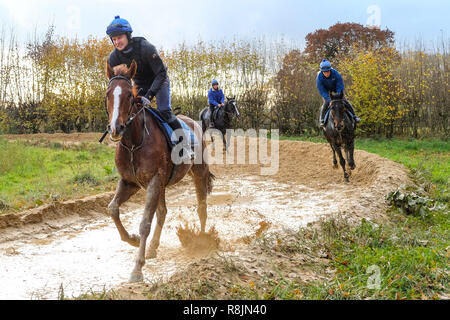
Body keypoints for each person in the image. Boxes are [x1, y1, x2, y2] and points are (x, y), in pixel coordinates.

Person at [106, 15, 193, 160]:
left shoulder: (145, 48)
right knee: (132, 112)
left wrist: (149, 95)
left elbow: (161, 73)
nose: (117, 42)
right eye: (113, 39)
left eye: (119, 37)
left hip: (159, 80)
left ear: (128, 35)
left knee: (164, 111)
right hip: (139, 83)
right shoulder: (113, 57)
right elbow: (117, 83)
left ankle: (185, 145)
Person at [316, 59, 360, 128]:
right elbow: (321, 90)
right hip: (327, 93)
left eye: (327, 71)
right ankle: (322, 120)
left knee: (345, 101)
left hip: (337, 90)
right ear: (322, 71)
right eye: (324, 72)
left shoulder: (336, 74)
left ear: (330, 70)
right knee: (325, 104)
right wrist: (328, 99)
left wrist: (339, 95)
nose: (326, 73)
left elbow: (340, 85)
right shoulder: (319, 78)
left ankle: (354, 116)